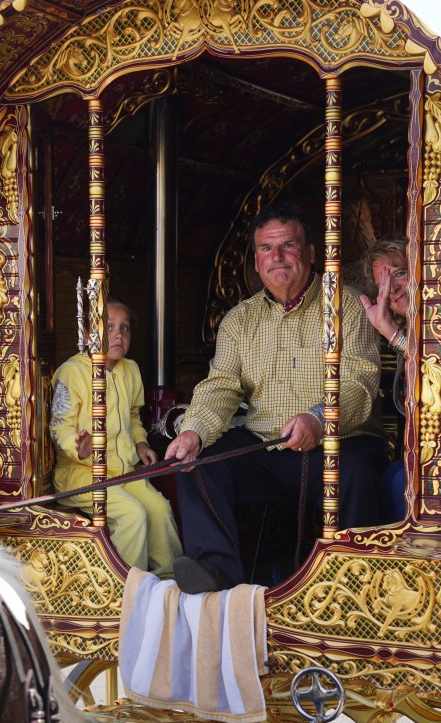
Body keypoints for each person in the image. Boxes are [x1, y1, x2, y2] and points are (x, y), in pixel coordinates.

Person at [165, 200, 385, 593]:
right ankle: (215, 571)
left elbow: (359, 382)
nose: (277, 257)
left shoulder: (347, 306)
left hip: (338, 442)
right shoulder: (240, 319)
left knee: (357, 475)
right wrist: (193, 432)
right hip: (265, 447)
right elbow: (221, 387)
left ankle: (358, 583)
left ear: (312, 253)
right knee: (197, 464)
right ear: (255, 260)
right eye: (266, 249)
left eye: (288, 245)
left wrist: (319, 419)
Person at [50, 297, 183, 578]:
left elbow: (134, 418)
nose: (118, 335)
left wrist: (141, 444)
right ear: (88, 334)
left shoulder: (130, 370)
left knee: (159, 509)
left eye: (124, 328)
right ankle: (126, 592)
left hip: (123, 472)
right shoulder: (71, 372)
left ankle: (169, 584)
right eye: (108, 327)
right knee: (133, 514)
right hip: (81, 473)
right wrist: (78, 447)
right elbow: (59, 427)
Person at [359, 235, 408, 522]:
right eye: (384, 285)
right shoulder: (410, 330)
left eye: (399, 273)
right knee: (389, 476)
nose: (393, 289)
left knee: (402, 482)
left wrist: (390, 331)